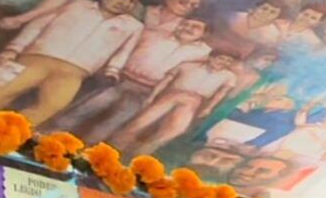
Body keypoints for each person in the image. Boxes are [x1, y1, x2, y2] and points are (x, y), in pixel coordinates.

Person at [0, 0, 144, 124]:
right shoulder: (74, 5)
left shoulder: (133, 26)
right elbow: (38, 25)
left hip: (76, 71)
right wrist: (14, 49)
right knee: (5, 90)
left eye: (132, 2)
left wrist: (113, 70)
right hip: (39, 57)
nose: (126, 3)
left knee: (53, 105)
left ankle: (8, 131)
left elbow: (124, 51)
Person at [47, 17, 213, 142]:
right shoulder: (151, 35)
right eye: (185, 24)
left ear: (205, 34)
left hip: (148, 92)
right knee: (89, 106)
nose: (187, 28)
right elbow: (123, 50)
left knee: (116, 120)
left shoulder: (204, 54)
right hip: (121, 81)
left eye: (195, 27)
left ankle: (86, 147)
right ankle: (51, 133)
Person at [110, 49, 240, 156]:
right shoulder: (187, 65)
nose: (224, 62)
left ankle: (140, 154)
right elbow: (165, 81)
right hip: (171, 95)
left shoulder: (229, 76)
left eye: (229, 61)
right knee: (142, 121)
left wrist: (208, 108)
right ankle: (115, 146)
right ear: (211, 57)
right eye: (221, 58)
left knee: (175, 130)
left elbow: (220, 94)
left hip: (193, 101)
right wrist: (153, 96)